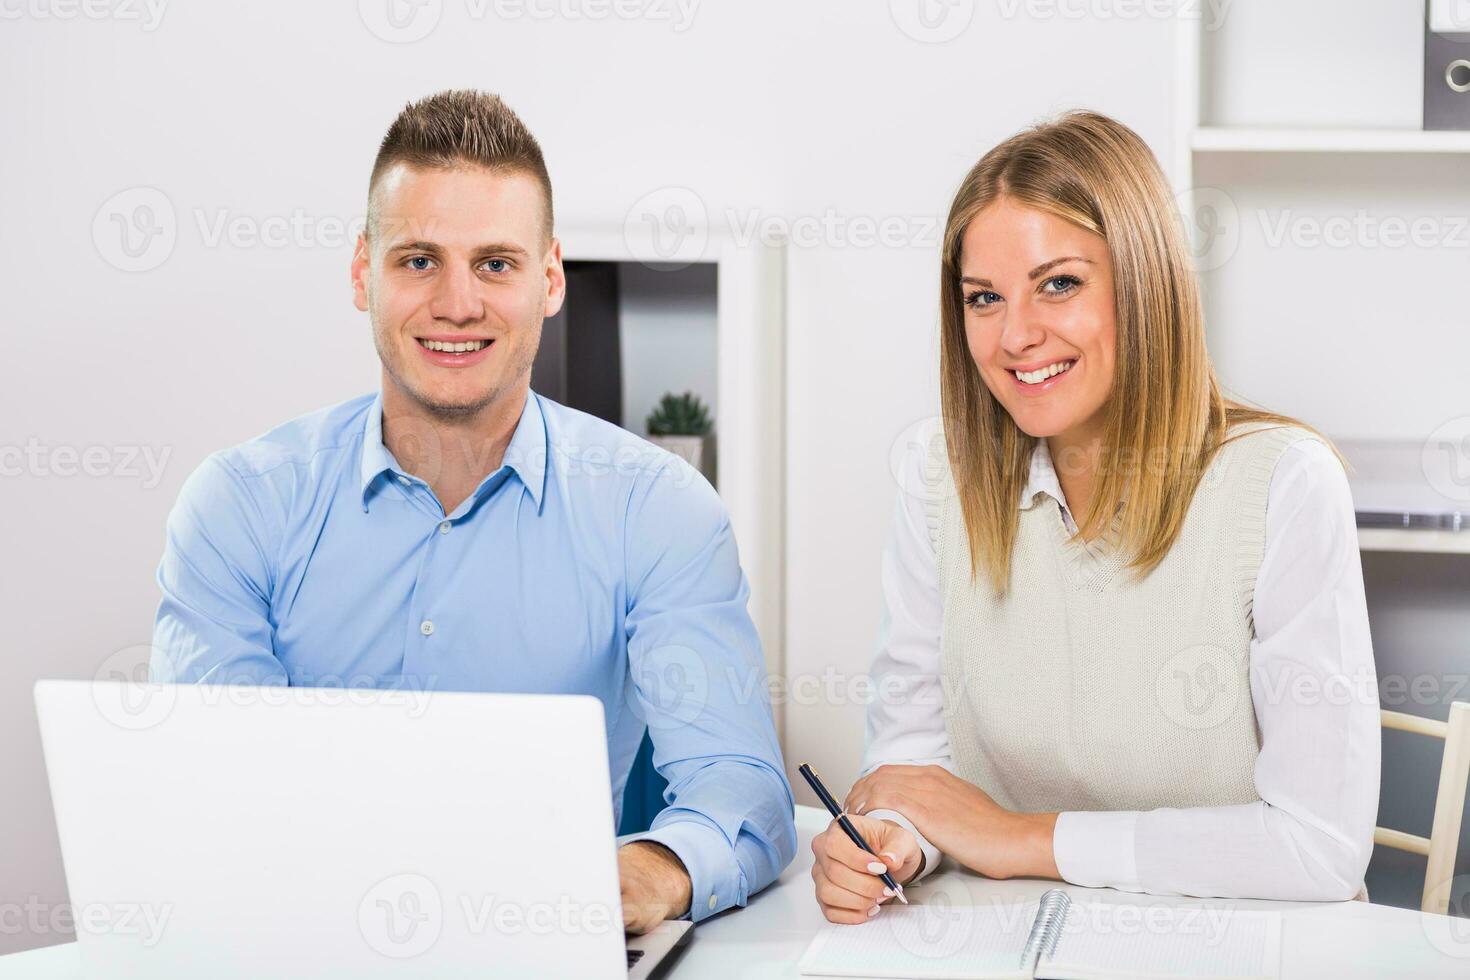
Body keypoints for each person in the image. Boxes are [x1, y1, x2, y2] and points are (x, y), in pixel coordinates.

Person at [150, 89, 795, 933]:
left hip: (544, 939)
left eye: (495, 263)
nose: (458, 303)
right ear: (361, 273)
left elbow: (737, 785)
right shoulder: (240, 505)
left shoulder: (657, 510)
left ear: (550, 280)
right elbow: (213, 786)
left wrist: (659, 868)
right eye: (419, 260)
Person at [810, 110, 1379, 924]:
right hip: (1006, 939)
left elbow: (1318, 846)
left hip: (1242, 947)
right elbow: (915, 759)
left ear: (1143, 282)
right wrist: (895, 836)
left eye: (1060, 283)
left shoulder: (1282, 483)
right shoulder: (935, 475)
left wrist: (1018, 838)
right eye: (983, 298)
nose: (1016, 335)